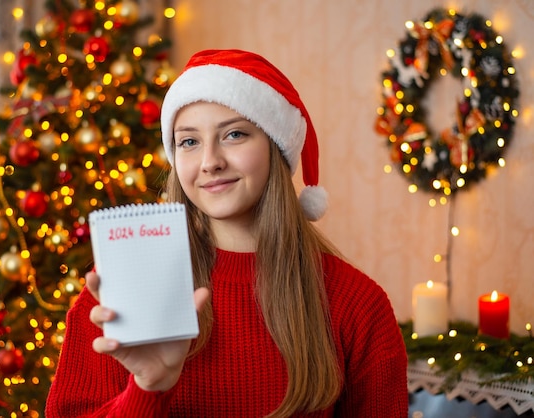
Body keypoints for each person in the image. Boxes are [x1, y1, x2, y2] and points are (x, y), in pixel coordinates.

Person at [45, 49, 408, 417]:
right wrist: (147, 390)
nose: (210, 161)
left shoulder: (357, 304)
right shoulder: (118, 297)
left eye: (234, 134)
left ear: (275, 148)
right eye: (189, 141)